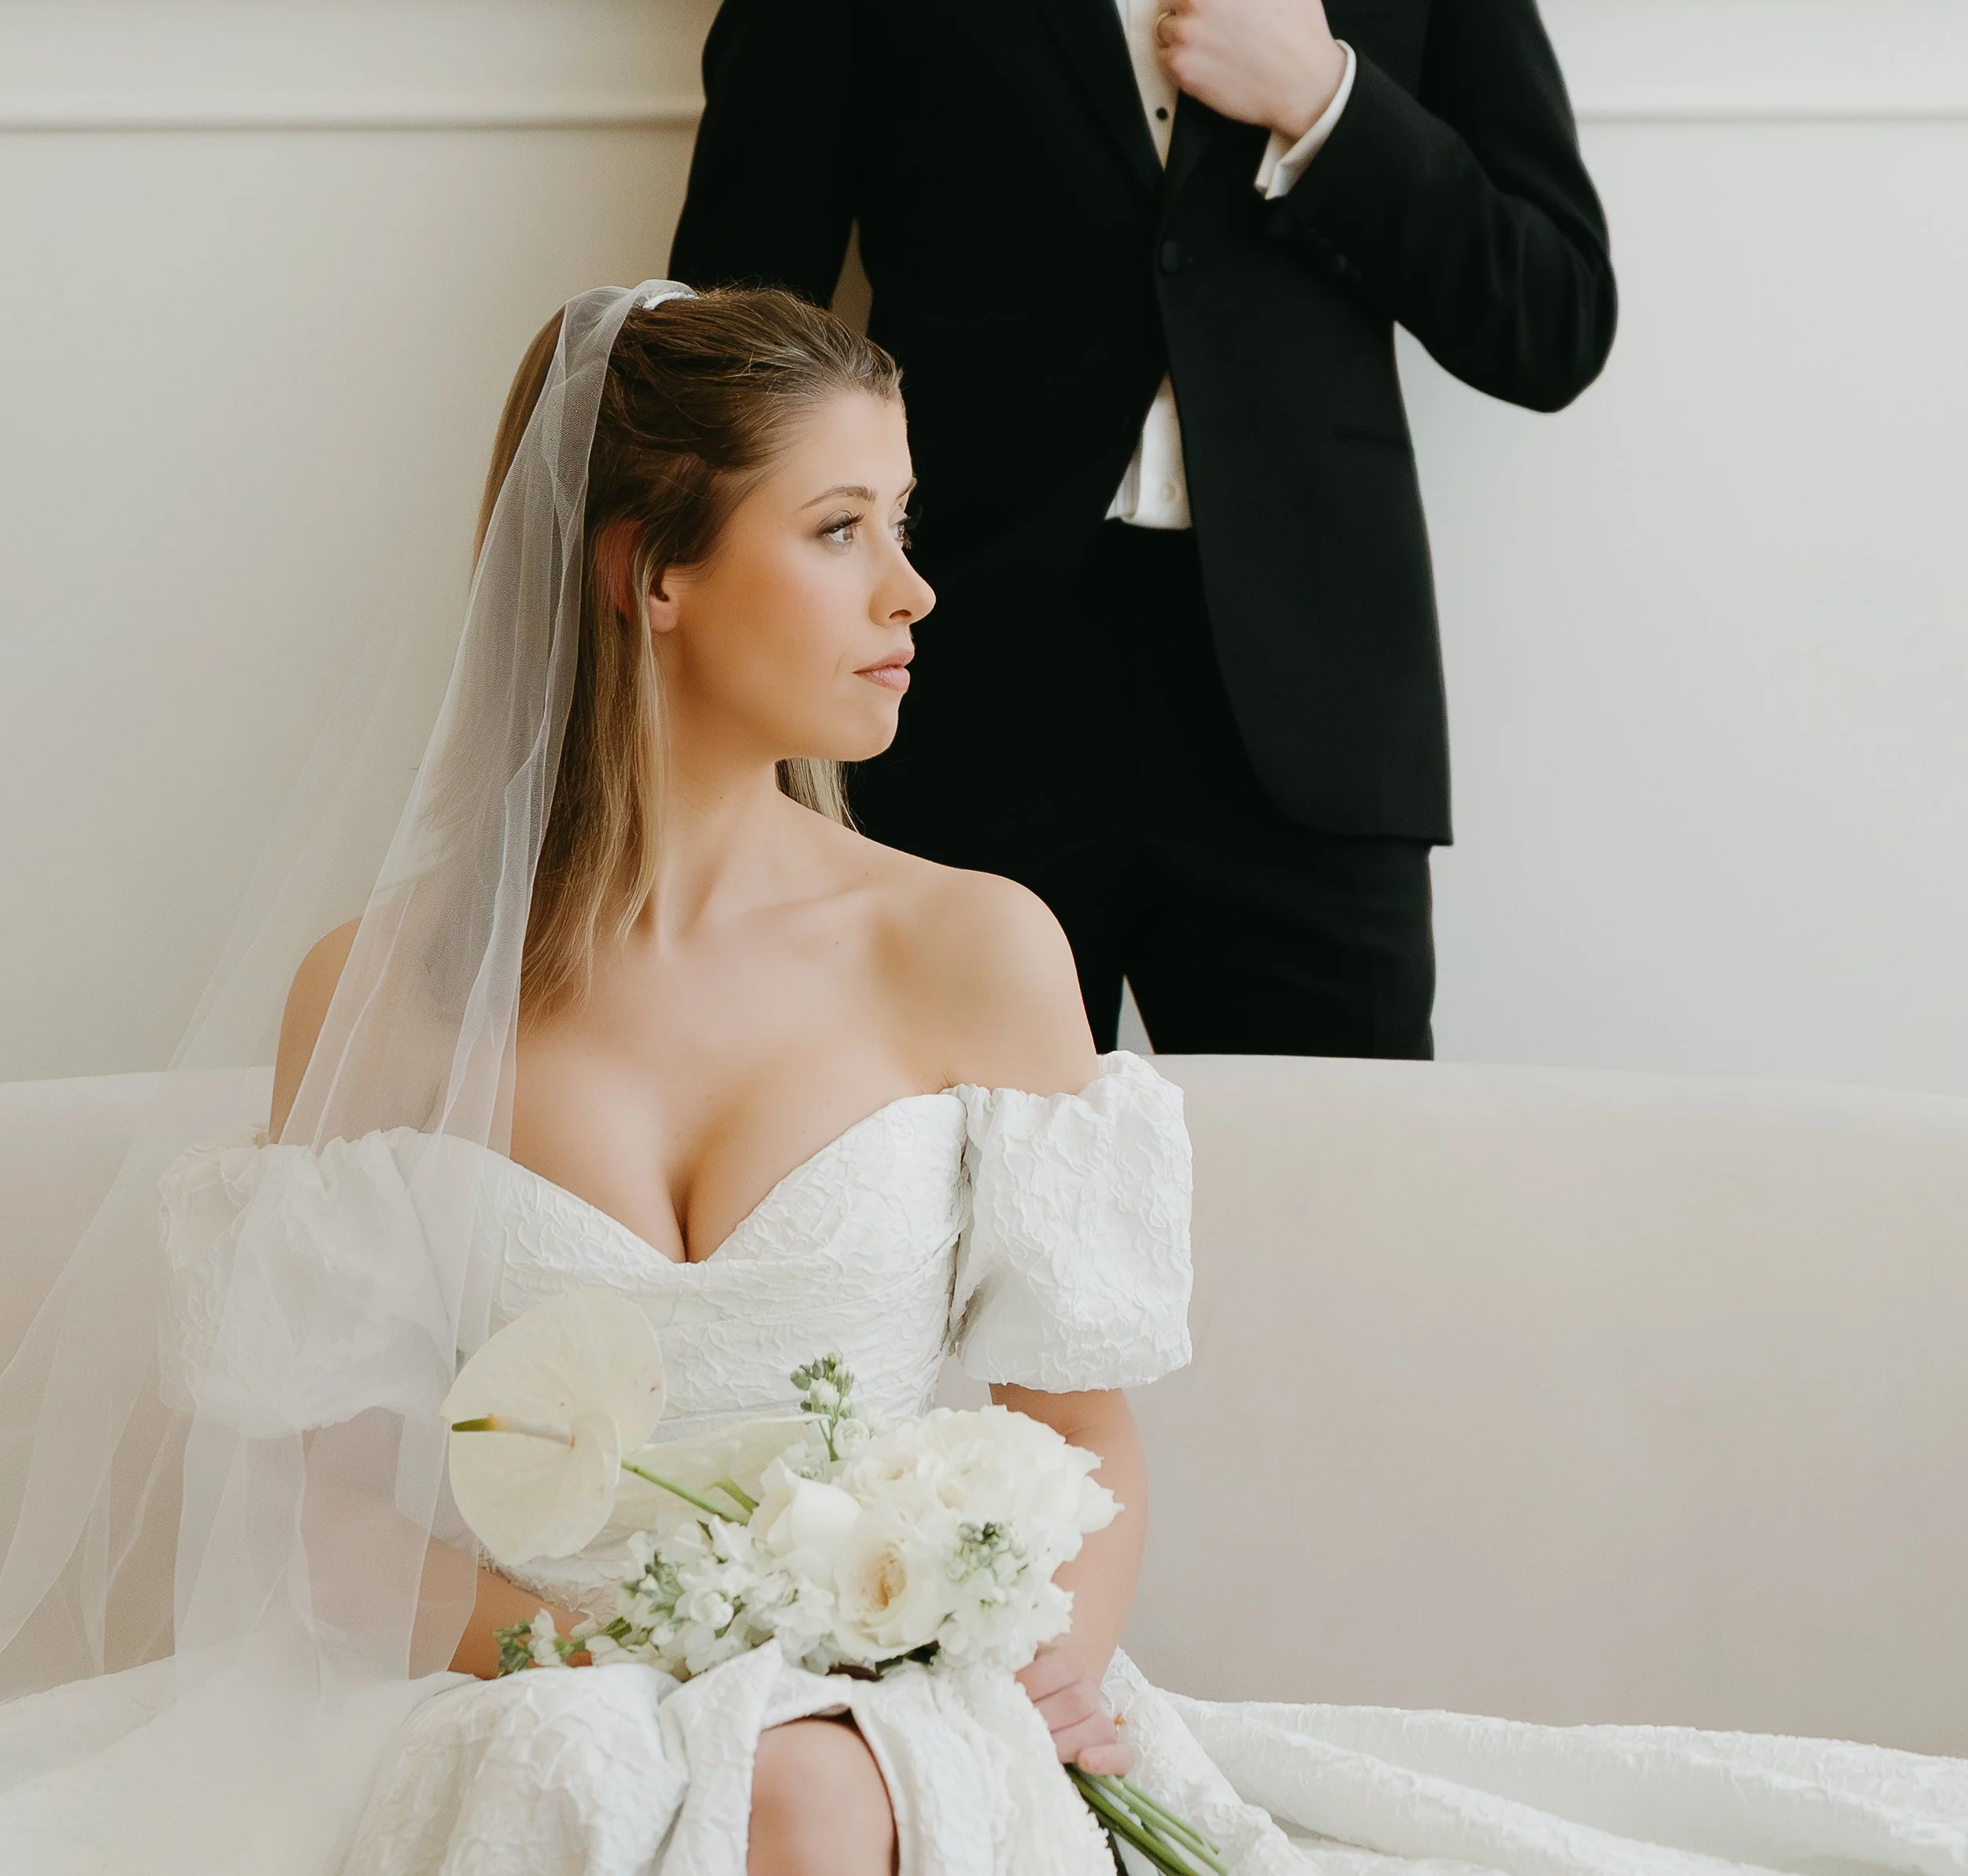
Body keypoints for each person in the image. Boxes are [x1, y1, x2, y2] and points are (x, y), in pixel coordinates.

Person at [0, 281, 1956, 1876]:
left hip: (900, 1716)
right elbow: (322, 1500)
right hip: (511, 1699)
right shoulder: (385, 996)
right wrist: (611, 1655)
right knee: (603, 1775)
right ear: (648, 571)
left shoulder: (967, 950)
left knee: (804, 1794)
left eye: (903, 527)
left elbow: (1081, 1433)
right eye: (838, 531)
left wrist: (999, 1667)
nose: (910, 592)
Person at [668, 0, 1617, 1065]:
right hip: (942, 701)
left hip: (1310, 736)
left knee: (1331, 1221)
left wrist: (1328, 102)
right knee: (935, 1218)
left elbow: (1553, 321)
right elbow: (732, 338)